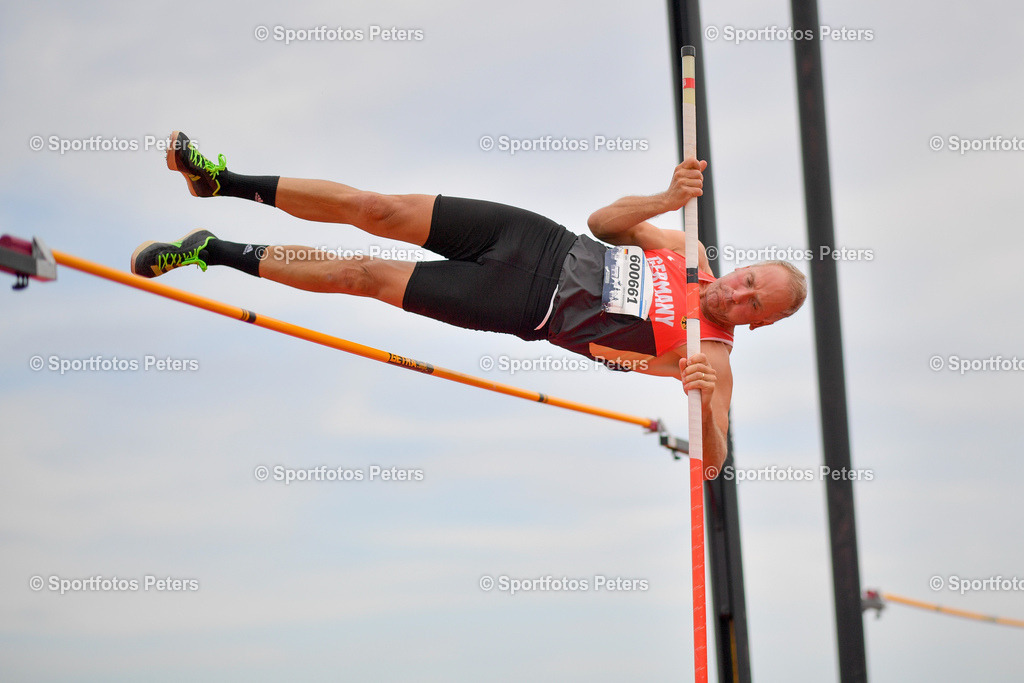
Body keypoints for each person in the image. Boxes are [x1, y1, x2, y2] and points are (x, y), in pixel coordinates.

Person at [132, 132, 806, 477]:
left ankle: (212, 250)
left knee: (363, 275)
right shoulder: (689, 253)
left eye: (754, 303)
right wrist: (664, 199)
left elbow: (712, 463)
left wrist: (704, 408)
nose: (738, 292)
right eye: (749, 278)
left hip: (519, 304)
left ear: (762, 322)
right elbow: (602, 222)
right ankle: (221, 181)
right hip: (535, 237)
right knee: (376, 207)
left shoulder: (711, 357)